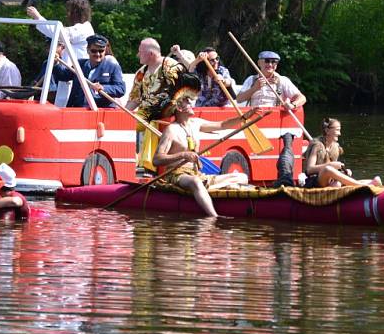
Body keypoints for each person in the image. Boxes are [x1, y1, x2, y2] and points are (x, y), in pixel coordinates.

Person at [153, 87, 250, 218]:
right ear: (179, 108)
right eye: (188, 101)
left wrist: (244, 118)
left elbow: (222, 125)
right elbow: (157, 159)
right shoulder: (171, 130)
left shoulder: (196, 123)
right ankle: (214, 217)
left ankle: (205, 190)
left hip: (198, 174)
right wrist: (182, 155)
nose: (192, 103)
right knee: (195, 182)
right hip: (177, 175)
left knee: (241, 177)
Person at [126, 38, 182, 173]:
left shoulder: (171, 66)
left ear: (151, 54)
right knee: (124, 123)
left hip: (169, 111)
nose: (138, 55)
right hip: (144, 112)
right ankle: (128, 160)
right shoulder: (141, 73)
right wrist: (121, 114)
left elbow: (180, 92)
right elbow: (135, 99)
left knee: (152, 121)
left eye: (140, 52)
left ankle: (149, 165)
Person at [27, 0, 95, 106]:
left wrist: (38, 17)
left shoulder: (84, 28)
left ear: (77, 13)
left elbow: (58, 32)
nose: (67, 15)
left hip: (78, 75)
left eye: (70, 11)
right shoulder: (78, 28)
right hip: (68, 73)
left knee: (73, 105)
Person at [304, 118, 382, 188]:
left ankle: (369, 183)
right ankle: (362, 186)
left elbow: (334, 170)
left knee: (337, 183)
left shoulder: (335, 147)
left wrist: (344, 171)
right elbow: (309, 169)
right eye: (337, 130)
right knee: (327, 169)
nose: (340, 133)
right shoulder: (317, 145)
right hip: (315, 181)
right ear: (327, 131)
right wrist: (330, 165)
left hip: (330, 181)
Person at [52, 34, 126, 108]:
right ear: (87, 50)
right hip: (77, 110)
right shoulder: (79, 65)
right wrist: (55, 63)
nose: (97, 54)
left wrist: (103, 88)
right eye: (94, 51)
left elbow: (121, 89)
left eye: (101, 51)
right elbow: (62, 76)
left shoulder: (112, 66)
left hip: (99, 111)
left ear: (105, 51)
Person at [236, 50, 306, 110]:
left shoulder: (283, 80)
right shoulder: (251, 79)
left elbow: (302, 98)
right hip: (254, 117)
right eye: (267, 61)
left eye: (274, 62)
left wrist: (293, 105)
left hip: (275, 118)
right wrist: (254, 88)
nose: (270, 64)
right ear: (259, 63)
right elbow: (239, 99)